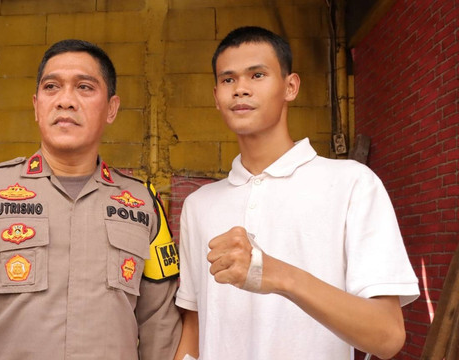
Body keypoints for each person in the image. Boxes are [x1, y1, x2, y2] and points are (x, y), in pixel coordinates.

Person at [0, 39, 182, 360]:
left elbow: (159, 322)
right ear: (36, 106)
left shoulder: (141, 202)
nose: (66, 100)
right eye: (52, 87)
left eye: (84, 87)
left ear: (111, 108)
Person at [173, 26, 419, 360]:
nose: (241, 89)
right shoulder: (199, 204)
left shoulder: (351, 184)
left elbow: (387, 337)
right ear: (216, 95)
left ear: (290, 86)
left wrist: (278, 275)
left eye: (257, 75)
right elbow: (195, 325)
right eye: (228, 80)